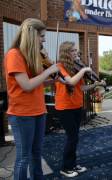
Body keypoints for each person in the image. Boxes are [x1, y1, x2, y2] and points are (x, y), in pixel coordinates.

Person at [4, 18, 60, 180]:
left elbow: (37, 84)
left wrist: (52, 80)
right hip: (22, 114)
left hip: (38, 111)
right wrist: (48, 71)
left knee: (37, 153)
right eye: (41, 36)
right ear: (31, 35)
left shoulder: (32, 56)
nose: (43, 40)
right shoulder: (14, 55)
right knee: (24, 157)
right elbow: (26, 85)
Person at [55, 41, 93, 177]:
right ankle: (65, 167)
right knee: (72, 137)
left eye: (76, 50)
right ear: (66, 53)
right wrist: (83, 70)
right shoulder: (59, 66)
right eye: (73, 51)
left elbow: (81, 87)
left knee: (75, 137)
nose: (76, 53)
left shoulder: (75, 67)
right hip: (65, 107)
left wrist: (96, 84)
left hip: (77, 105)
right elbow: (70, 82)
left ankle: (72, 164)